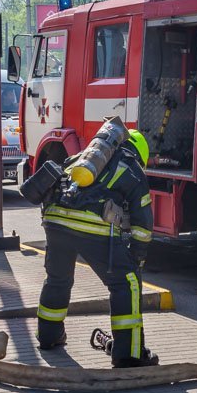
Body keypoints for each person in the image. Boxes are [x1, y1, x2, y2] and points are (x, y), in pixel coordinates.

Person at [30, 129, 158, 367]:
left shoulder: (82, 157)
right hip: (91, 226)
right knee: (126, 283)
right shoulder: (131, 167)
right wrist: (137, 258)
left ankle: (48, 336)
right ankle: (128, 355)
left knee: (57, 279)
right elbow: (143, 223)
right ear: (139, 153)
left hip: (55, 221)